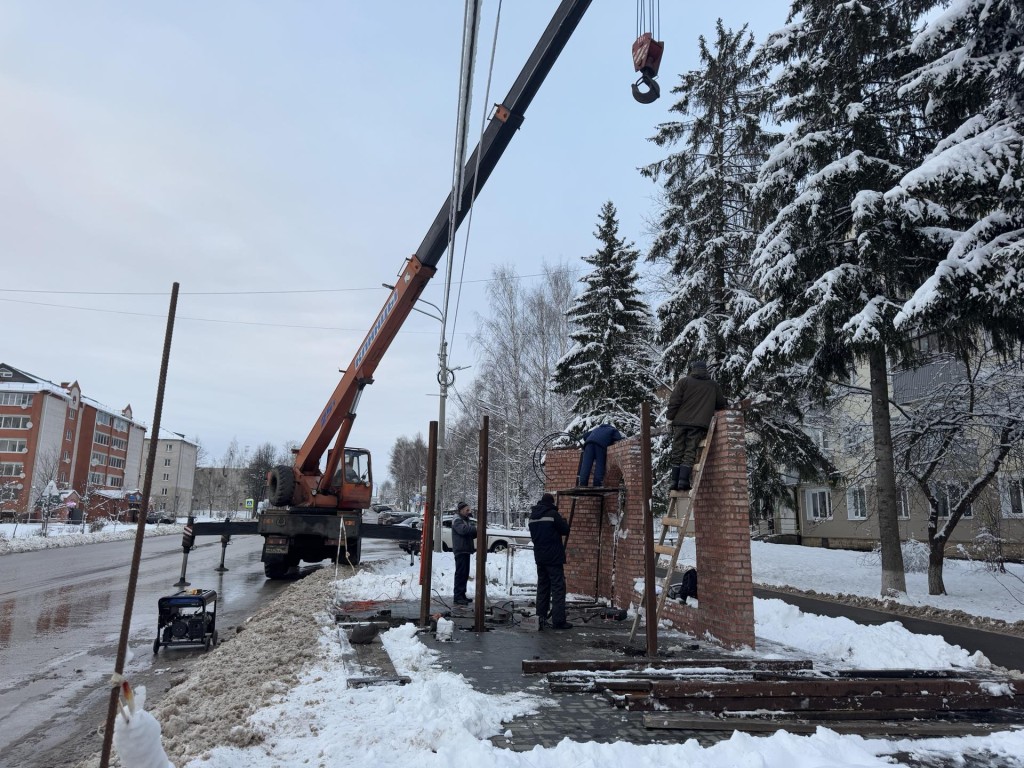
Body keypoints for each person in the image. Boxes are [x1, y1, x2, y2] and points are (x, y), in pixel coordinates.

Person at [666, 359, 727, 491]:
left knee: (677, 450)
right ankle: (683, 481)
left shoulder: (684, 382)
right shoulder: (713, 385)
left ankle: (673, 482)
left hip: (680, 422)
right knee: (690, 450)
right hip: (699, 424)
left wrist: (670, 418)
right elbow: (721, 404)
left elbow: (674, 402)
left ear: (692, 369)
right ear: (706, 371)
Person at [528, 492, 572, 630]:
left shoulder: (532, 517)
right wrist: (563, 521)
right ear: (551, 503)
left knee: (542, 587)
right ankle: (558, 621)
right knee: (558, 588)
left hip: (540, 557)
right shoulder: (553, 515)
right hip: (553, 558)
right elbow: (565, 530)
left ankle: (540, 618)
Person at [451, 501, 477, 605]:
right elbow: (463, 531)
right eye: (467, 510)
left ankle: (462, 595)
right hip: (460, 550)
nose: (468, 512)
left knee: (464, 573)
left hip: (465, 549)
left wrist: (474, 530)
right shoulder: (457, 520)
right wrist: (475, 529)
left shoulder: (465, 520)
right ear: (461, 510)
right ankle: (458, 596)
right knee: (460, 573)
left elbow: (470, 532)